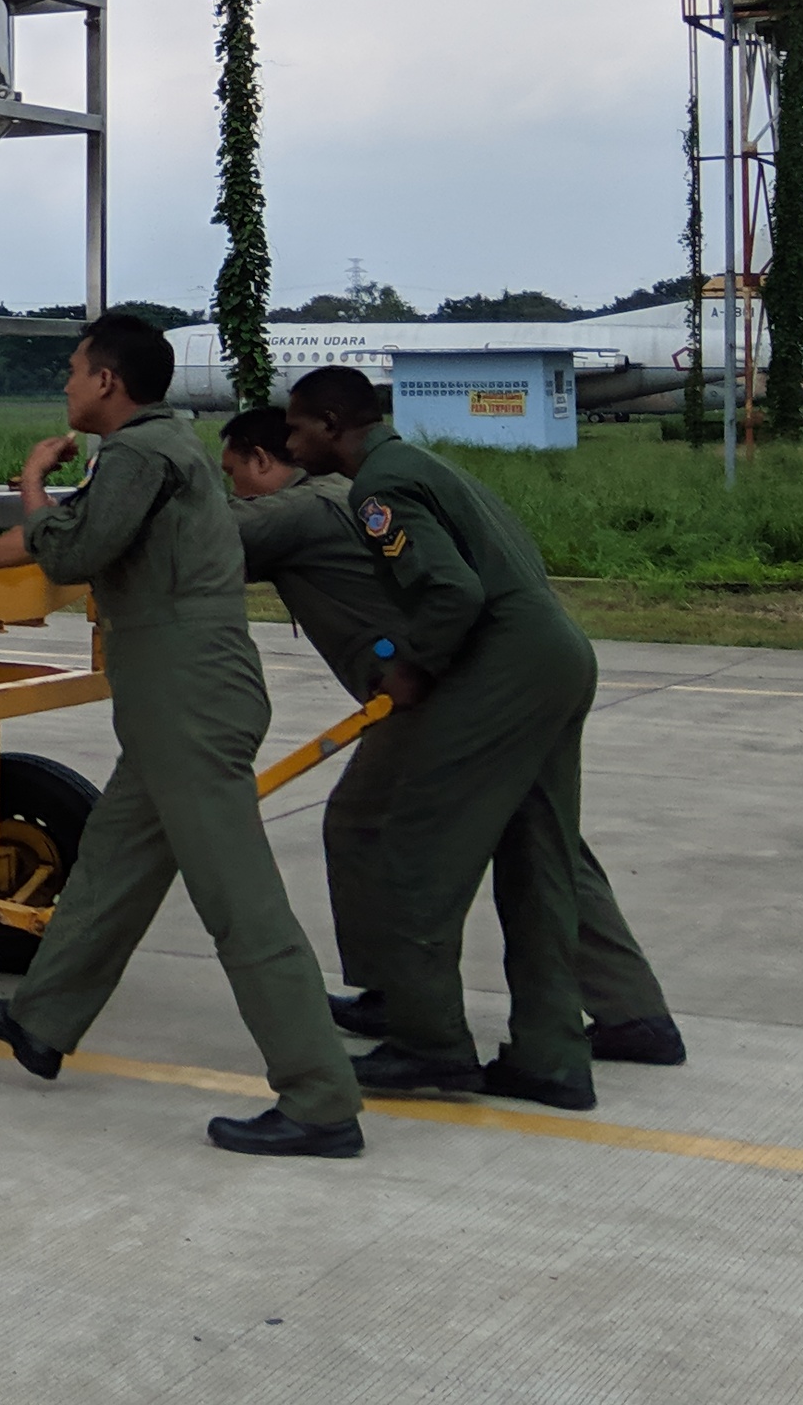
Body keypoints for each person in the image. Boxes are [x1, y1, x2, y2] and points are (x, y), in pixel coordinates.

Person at [0, 315, 365, 1158]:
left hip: (187, 696)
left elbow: (71, 551)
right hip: (179, 691)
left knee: (241, 904)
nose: (64, 385)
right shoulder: (157, 449)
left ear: (107, 382)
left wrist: (29, 478)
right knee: (116, 864)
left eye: (72, 370)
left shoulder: (138, 454)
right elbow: (70, 536)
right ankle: (42, 1022)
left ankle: (319, 1098)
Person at [217, 409, 683, 1067]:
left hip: (435, 688)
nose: (234, 488)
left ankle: (405, 1005)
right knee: (544, 842)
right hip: (495, 680)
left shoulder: (300, 509)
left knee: (368, 824)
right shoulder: (346, 495)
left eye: (233, 473)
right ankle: (634, 1012)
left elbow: (207, 540)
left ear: (263, 461)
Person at [284, 364, 608, 1110]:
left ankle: (429, 1045)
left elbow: (453, 591)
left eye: (297, 425)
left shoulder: (379, 488)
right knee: (539, 862)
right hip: (558, 655)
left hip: (504, 668)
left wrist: (410, 665)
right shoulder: (422, 462)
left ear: (333, 422)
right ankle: (552, 1056)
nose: (290, 439)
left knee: (413, 848)